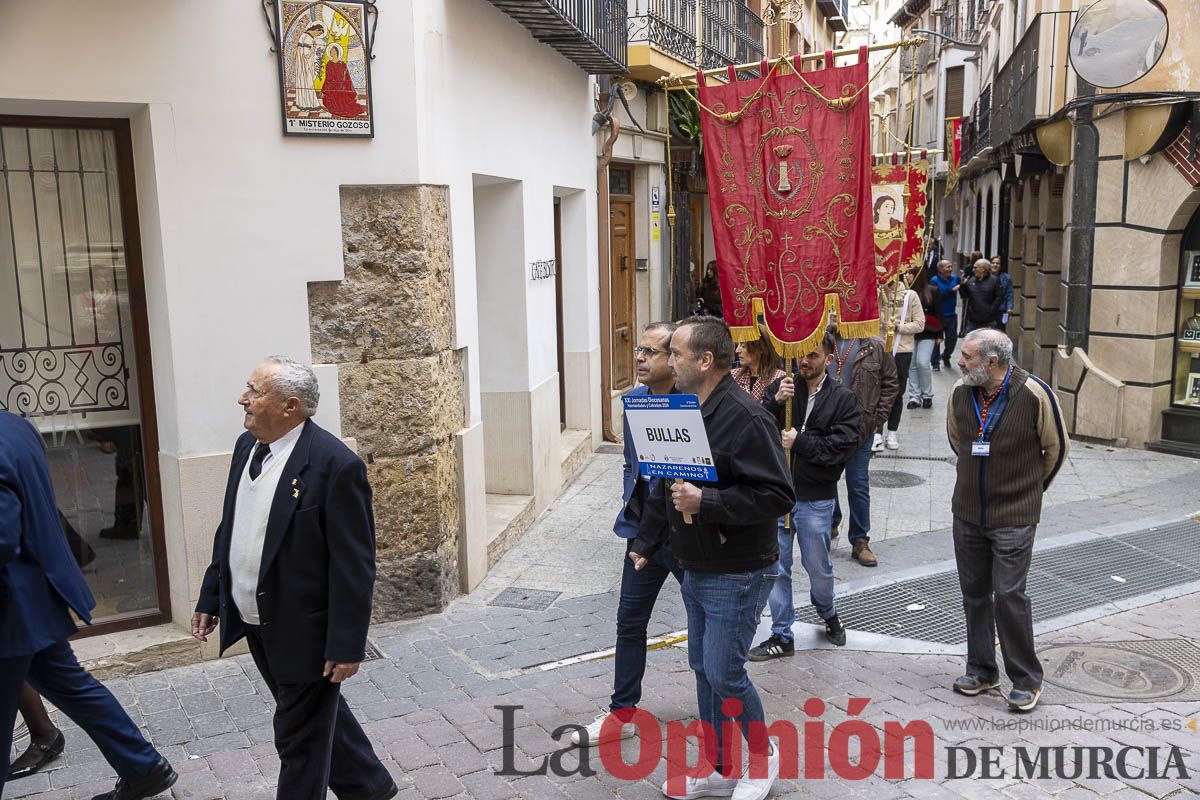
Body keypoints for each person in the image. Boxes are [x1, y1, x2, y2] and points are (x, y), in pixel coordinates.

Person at [192, 357, 397, 800]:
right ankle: (369, 787)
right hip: (256, 618)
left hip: (306, 630)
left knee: (298, 739)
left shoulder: (335, 466)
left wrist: (347, 645)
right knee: (315, 716)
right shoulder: (246, 447)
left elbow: (354, 565)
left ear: (290, 406)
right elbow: (231, 526)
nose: (243, 399)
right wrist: (211, 595)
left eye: (255, 391)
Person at [629, 317, 794, 800]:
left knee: (724, 671)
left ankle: (763, 758)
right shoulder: (682, 410)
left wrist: (709, 502)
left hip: (738, 568)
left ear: (705, 361)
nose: (667, 361)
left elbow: (779, 495)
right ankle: (720, 767)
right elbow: (665, 481)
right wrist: (646, 542)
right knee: (703, 667)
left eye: (675, 354)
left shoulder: (747, 418)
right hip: (694, 562)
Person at [0, 410, 177, 800]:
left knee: (73, 686)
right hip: (33, 596)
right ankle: (144, 767)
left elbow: (2, 537)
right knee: (73, 686)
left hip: (11, 609)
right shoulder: (15, 425)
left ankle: (143, 767)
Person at [573, 322, 683, 747]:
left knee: (706, 623)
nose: (639, 357)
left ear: (674, 360)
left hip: (686, 533)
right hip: (642, 534)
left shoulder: (694, 403)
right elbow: (632, 465)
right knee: (630, 621)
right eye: (639, 349)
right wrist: (632, 507)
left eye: (651, 352)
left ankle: (718, 705)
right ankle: (622, 713)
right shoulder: (634, 400)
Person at [947, 330, 1068, 713]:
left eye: (967, 356)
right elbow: (958, 440)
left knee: (1009, 595)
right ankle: (982, 670)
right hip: (968, 513)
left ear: (992, 362)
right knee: (974, 595)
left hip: (1014, 517)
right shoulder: (960, 392)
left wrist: (1029, 491)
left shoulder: (1034, 393)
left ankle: (1026, 679)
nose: (959, 362)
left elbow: (1056, 449)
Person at [750, 331, 860, 660]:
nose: (804, 361)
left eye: (813, 355)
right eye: (801, 354)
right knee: (776, 568)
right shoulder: (783, 386)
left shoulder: (842, 398)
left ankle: (828, 612)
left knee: (818, 566)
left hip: (815, 498)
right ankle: (782, 634)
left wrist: (800, 442)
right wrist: (774, 402)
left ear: (829, 359)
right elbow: (755, 428)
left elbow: (841, 447)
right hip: (779, 494)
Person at [825, 306, 898, 568]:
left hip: (861, 429)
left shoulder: (874, 345)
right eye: (831, 309)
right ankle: (831, 521)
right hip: (827, 427)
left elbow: (891, 384)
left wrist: (876, 420)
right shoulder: (821, 341)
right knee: (825, 478)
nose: (835, 314)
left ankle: (859, 540)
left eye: (839, 309)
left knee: (857, 484)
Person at [877, 274, 924, 451]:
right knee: (876, 390)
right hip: (880, 347)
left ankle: (892, 431)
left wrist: (898, 327)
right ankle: (876, 432)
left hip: (902, 350)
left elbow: (920, 324)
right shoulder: (876, 293)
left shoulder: (910, 295)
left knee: (897, 392)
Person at [906, 268, 942, 410]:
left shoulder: (932, 291)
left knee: (923, 362)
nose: (907, 275)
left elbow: (939, 313)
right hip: (909, 333)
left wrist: (940, 334)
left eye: (910, 273)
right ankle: (914, 396)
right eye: (906, 273)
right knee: (912, 364)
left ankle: (927, 394)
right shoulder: (905, 291)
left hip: (927, 333)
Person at [732, 324, 786, 403]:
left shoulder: (779, 379)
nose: (737, 351)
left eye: (743, 346)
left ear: (760, 348)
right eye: (738, 345)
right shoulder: (734, 376)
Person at [320, 43, 366, 118]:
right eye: (331, 51)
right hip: (332, 87)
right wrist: (324, 90)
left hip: (342, 87)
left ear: (337, 52)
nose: (333, 52)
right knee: (330, 102)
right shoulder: (329, 64)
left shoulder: (342, 64)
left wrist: (353, 92)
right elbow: (328, 78)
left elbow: (347, 78)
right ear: (330, 53)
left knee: (346, 105)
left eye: (334, 51)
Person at [929, 260, 960, 370]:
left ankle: (946, 356)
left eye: (951, 266)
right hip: (938, 315)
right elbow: (937, 297)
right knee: (936, 340)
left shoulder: (955, 279)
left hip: (951, 314)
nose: (950, 269)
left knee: (952, 339)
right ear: (940, 269)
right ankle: (935, 363)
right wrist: (952, 290)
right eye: (947, 267)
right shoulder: (934, 281)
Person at [961, 258, 1005, 334]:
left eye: (975, 268)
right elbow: (964, 296)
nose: (973, 270)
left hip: (989, 321)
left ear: (983, 269)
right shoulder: (971, 280)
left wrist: (991, 309)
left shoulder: (994, 280)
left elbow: (999, 297)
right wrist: (963, 285)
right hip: (973, 320)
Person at [293, 23, 325, 110]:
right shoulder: (308, 38)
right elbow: (306, 54)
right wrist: (314, 48)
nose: (317, 35)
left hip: (301, 65)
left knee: (302, 83)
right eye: (318, 33)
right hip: (305, 65)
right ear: (316, 30)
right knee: (308, 83)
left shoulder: (303, 35)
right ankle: (312, 104)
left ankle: (302, 103)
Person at [990, 256, 1015, 328]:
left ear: (1001, 265)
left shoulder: (1007, 278)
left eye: (997, 263)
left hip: (1001, 310)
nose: (995, 265)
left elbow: (1009, 294)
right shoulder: (986, 276)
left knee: (1000, 331)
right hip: (988, 310)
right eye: (993, 263)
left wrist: (1009, 308)